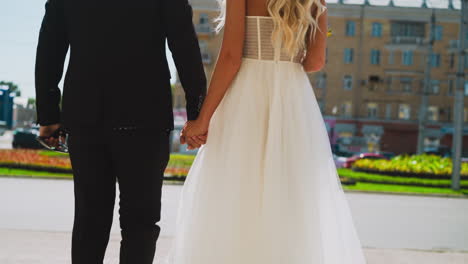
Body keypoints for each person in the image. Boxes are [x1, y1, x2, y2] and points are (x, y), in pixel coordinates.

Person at [168, 0, 368, 263]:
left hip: (248, 95)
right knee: (288, 196)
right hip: (292, 97)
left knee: (235, 190)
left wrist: (202, 118)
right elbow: (316, 61)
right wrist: (286, 58)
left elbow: (230, 57)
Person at [34, 0, 206, 263]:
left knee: (90, 221)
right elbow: (183, 43)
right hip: (146, 116)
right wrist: (196, 112)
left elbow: (50, 46)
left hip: (86, 115)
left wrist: (48, 115)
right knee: (141, 223)